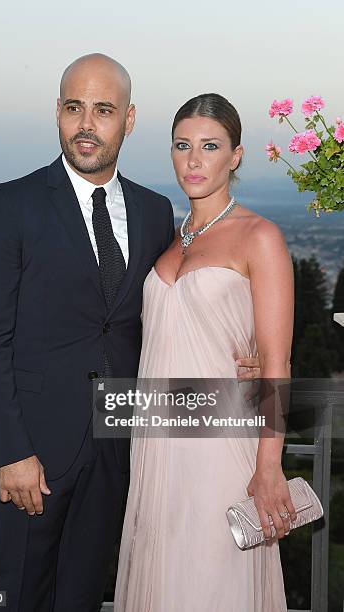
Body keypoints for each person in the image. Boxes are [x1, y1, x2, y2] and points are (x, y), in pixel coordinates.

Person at [0, 55, 260, 611]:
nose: (85, 125)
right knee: (11, 596)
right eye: (74, 108)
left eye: (102, 110)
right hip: (33, 455)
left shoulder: (153, 211)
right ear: (57, 112)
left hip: (121, 449)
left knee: (80, 596)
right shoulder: (10, 204)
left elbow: (171, 312)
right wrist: (10, 451)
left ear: (128, 118)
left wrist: (246, 352)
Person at [114, 93, 296, 612]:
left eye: (210, 146)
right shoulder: (169, 242)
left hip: (221, 448)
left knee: (212, 583)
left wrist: (268, 465)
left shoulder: (260, 237)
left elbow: (276, 364)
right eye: (182, 146)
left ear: (235, 156)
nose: (194, 160)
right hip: (154, 446)